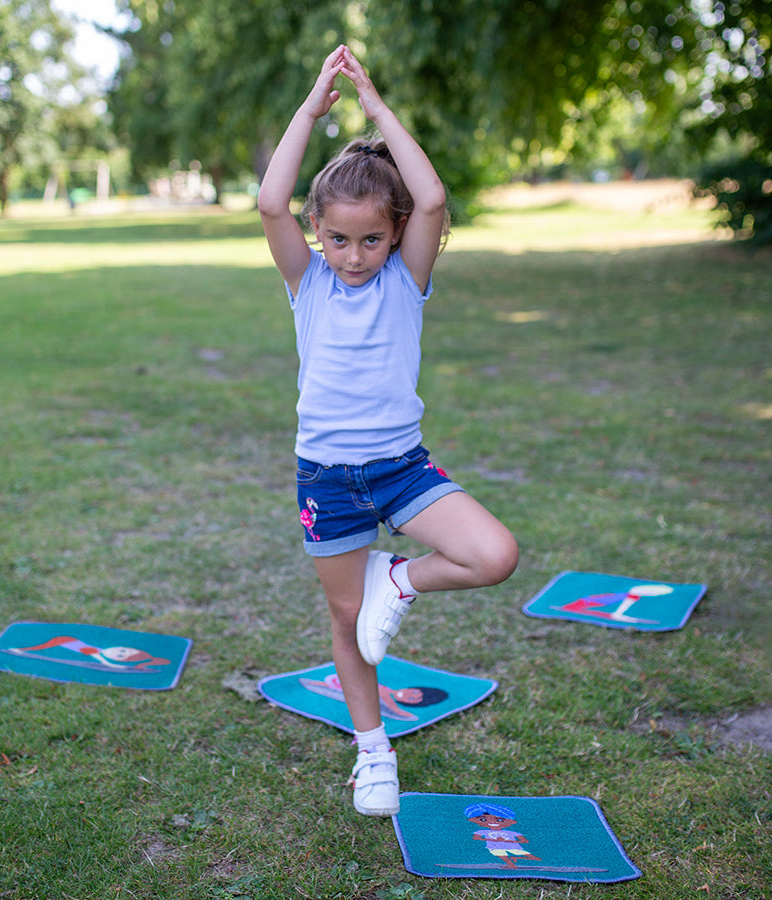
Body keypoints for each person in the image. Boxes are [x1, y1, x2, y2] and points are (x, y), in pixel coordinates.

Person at [258, 45, 518, 817]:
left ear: (395, 234)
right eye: (338, 239)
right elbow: (271, 204)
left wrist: (373, 106)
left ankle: (397, 576)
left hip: (402, 469)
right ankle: (374, 753)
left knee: (494, 554)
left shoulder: (408, 278)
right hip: (327, 479)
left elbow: (432, 195)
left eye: (371, 239)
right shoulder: (307, 282)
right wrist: (313, 109)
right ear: (318, 233)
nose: (354, 255)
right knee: (350, 625)